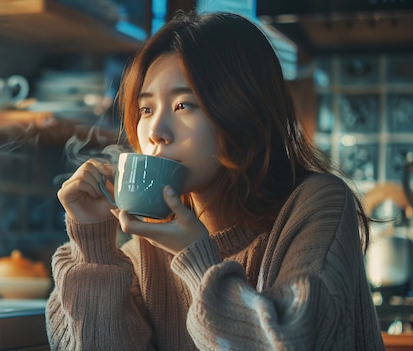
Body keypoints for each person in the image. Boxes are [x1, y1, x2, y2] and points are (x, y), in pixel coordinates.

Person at [45, 11, 385, 350]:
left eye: (183, 105)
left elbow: (293, 342)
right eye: (146, 110)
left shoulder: (315, 205)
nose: (157, 133)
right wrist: (94, 249)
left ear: (239, 111)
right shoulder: (146, 246)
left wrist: (196, 258)